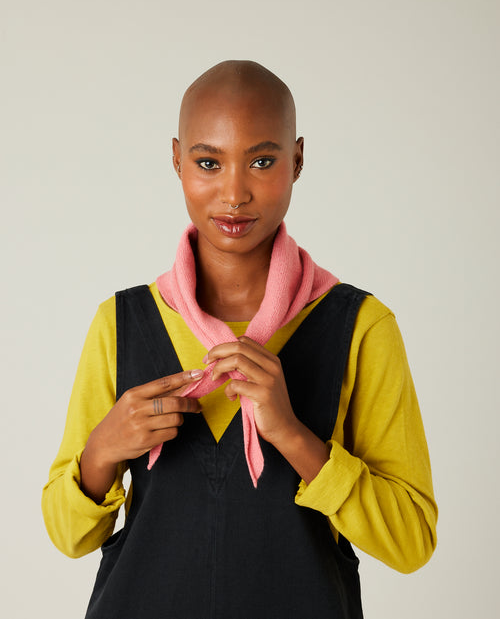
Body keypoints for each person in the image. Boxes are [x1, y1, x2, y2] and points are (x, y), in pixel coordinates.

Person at [42, 60, 437, 618]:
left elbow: (411, 540)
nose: (234, 193)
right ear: (177, 159)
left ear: (297, 160)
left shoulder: (360, 326)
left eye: (261, 161)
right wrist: (103, 450)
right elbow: (68, 536)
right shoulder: (122, 322)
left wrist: (295, 438)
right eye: (208, 162)